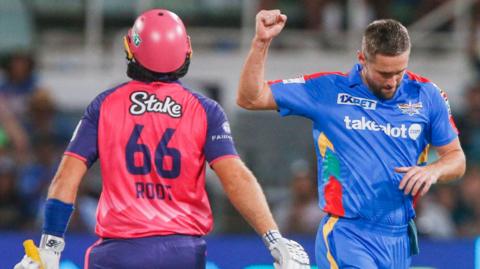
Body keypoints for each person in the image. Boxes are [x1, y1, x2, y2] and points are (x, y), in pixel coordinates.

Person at [14, 9, 310, 269]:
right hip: (183, 254)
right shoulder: (206, 111)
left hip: (118, 254)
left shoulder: (104, 105)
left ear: (131, 49)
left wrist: (50, 245)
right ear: (186, 52)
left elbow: (66, 177)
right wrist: (273, 238)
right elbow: (236, 179)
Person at [236, 9, 466, 268]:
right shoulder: (328, 90)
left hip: (399, 237)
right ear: (362, 59)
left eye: (399, 71)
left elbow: (456, 159)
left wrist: (434, 171)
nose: (392, 82)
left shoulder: (427, 96)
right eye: (383, 73)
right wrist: (261, 42)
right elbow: (250, 98)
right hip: (347, 233)